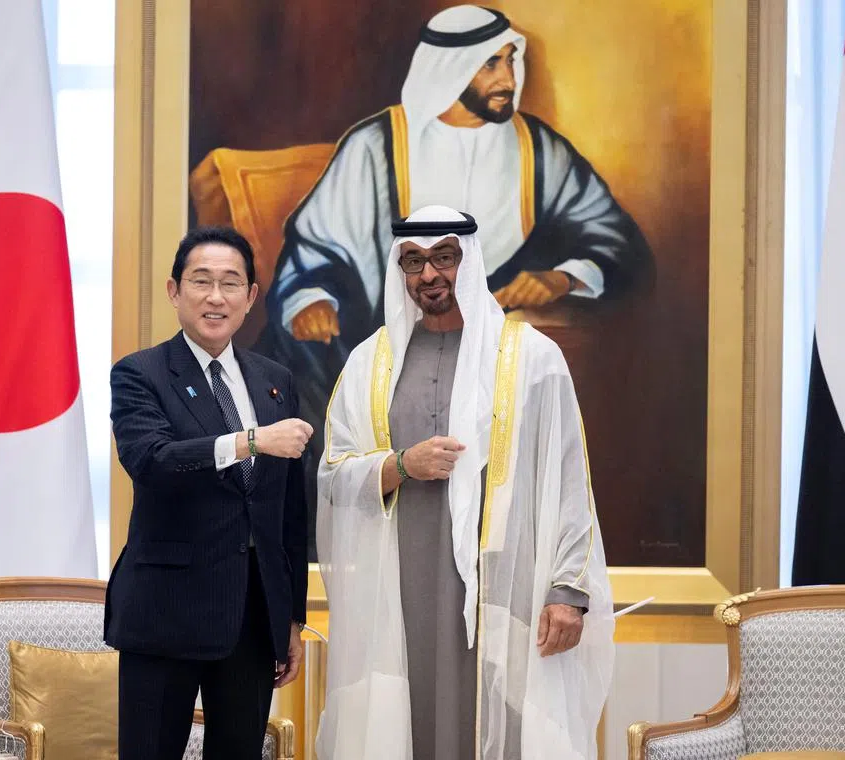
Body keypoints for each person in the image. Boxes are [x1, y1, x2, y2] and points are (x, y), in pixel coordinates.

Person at [257, 4, 653, 535]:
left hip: (487, 351)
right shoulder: (377, 146)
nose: (507, 79)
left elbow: (615, 238)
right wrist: (312, 300)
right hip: (372, 339)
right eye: (490, 64)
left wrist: (562, 276)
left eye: (511, 61)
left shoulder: (537, 150)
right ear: (451, 68)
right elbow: (317, 247)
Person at [314, 205, 615, 760]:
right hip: (400, 588)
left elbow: (569, 478)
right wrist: (401, 465)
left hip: (507, 590)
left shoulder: (532, 358)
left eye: (444, 258)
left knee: (503, 727)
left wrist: (567, 592)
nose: (429, 275)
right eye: (413, 262)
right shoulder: (369, 363)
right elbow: (333, 474)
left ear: (469, 262)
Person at [105, 226, 312, 759]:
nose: (215, 297)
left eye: (230, 283)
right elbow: (150, 460)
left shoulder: (274, 380)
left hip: (250, 617)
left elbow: (288, 508)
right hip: (165, 613)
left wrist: (289, 615)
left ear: (250, 297)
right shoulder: (140, 374)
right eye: (201, 281)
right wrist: (250, 441)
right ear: (175, 292)